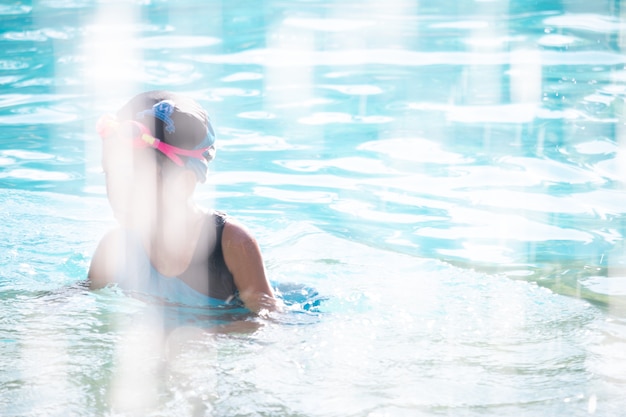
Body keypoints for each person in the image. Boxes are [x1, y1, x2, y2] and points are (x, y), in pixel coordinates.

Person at [88, 91, 277, 315]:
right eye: (110, 174)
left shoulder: (231, 244)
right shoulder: (115, 247)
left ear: (183, 184)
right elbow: (83, 297)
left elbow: (269, 322)